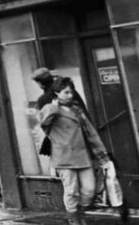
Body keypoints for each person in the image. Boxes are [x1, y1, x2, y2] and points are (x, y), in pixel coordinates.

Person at [40, 76, 110, 225]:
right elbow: (44, 123)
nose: (70, 95)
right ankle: (74, 220)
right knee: (71, 191)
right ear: (57, 93)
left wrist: (103, 156)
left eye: (71, 92)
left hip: (82, 156)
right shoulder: (50, 109)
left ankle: (80, 213)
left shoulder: (76, 108)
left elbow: (91, 133)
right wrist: (54, 106)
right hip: (64, 157)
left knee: (89, 190)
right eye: (66, 92)